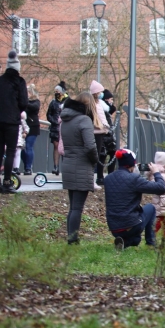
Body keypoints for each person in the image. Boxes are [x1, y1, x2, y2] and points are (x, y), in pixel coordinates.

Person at [103, 149, 165, 250]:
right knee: (151, 208)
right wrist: (156, 172)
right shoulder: (135, 179)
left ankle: (125, 242)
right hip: (130, 225)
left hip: (114, 228)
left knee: (136, 240)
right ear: (132, 165)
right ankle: (151, 243)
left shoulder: (108, 179)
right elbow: (161, 188)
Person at [0, 50, 28, 194]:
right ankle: (7, 182)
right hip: (11, 120)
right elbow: (24, 102)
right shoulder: (19, 81)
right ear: (17, 68)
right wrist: (16, 110)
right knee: (10, 151)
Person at [60, 92, 99, 244]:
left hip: (68, 164)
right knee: (77, 208)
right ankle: (73, 239)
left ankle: (71, 237)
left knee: (72, 207)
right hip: (82, 165)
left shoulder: (66, 120)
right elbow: (90, 146)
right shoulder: (84, 120)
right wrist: (95, 160)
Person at [89, 80, 111, 187]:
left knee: (97, 154)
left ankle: (92, 178)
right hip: (96, 131)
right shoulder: (93, 104)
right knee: (94, 155)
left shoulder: (98, 103)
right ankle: (91, 179)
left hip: (100, 131)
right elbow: (98, 118)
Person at [46, 82, 68, 175]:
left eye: (57, 91)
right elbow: (48, 114)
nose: (56, 93)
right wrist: (54, 121)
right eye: (55, 91)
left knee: (64, 147)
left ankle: (65, 167)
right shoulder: (53, 102)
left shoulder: (67, 101)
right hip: (55, 128)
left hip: (64, 127)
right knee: (56, 146)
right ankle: (56, 167)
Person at [22, 84, 41, 175]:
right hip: (23, 126)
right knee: (21, 147)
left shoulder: (36, 101)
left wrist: (25, 102)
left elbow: (35, 107)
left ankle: (28, 167)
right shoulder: (23, 102)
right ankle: (26, 164)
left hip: (33, 126)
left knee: (29, 146)